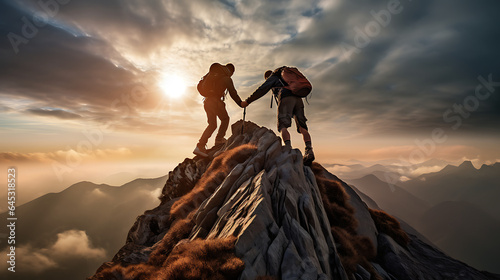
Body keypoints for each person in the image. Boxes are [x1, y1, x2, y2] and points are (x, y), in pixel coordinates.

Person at [241, 66, 315, 165]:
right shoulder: (288, 78)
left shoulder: (273, 77)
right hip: (298, 99)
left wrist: (247, 101)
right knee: (302, 127)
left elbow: (262, 89)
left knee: (283, 126)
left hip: (286, 97)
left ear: (267, 77)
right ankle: (309, 150)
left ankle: (288, 149)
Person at [194, 63, 243, 157]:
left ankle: (200, 146)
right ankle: (219, 140)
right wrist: (240, 103)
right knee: (225, 119)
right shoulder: (226, 78)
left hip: (207, 101)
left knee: (212, 124)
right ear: (231, 71)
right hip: (215, 101)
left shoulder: (213, 75)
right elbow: (233, 92)